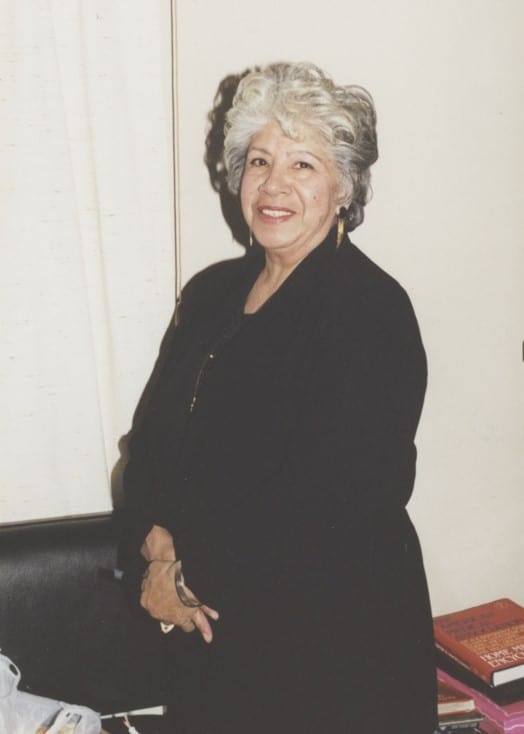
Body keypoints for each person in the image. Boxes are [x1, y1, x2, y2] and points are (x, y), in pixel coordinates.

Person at [119, 61, 438, 733]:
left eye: (303, 165)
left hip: (331, 659)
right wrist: (152, 540)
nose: (273, 185)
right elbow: (148, 443)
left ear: (344, 187)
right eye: (260, 161)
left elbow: (336, 504)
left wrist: (185, 580)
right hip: (213, 641)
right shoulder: (210, 296)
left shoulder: (370, 311)